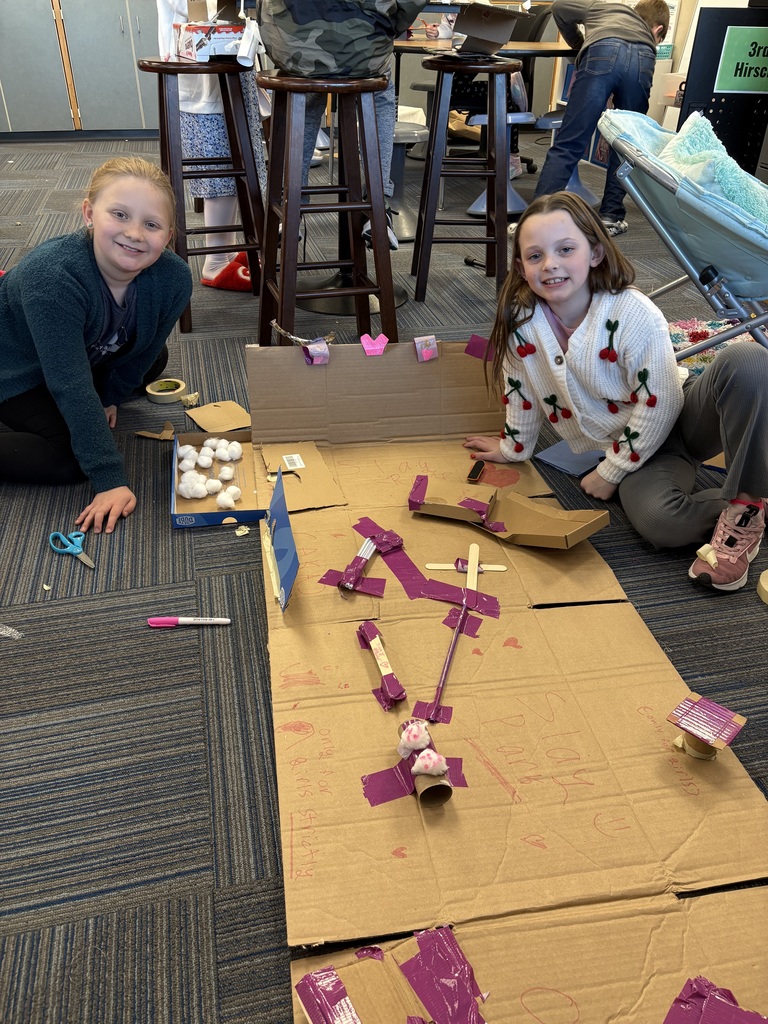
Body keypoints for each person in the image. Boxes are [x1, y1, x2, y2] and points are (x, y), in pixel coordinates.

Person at [464, 192, 768, 592]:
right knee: (662, 525)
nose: (550, 264)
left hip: (680, 416)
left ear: (594, 253)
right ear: (520, 269)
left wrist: (611, 471)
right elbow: (521, 390)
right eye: (535, 256)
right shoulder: (522, 322)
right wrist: (513, 448)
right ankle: (759, 497)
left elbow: (662, 403)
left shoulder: (632, 312)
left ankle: (747, 503)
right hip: (641, 449)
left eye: (565, 249)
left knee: (747, 361)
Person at [0, 157, 193, 535]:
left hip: (77, 352)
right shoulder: (52, 277)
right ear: (89, 213)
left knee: (153, 359)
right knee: (69, 460)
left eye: (151, 224)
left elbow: (144, 350)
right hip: (16, 367)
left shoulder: (173, 278)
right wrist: (109, 478)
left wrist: (108, 398)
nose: (135, 233)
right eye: (119, 215)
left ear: (168, 236)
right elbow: (69, 384)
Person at [258, 0, 430, 251]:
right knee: (381, 91)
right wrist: (389, 26)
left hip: (293, 45)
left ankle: (290, 204)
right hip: (363, 49)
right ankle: (377, 205)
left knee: (305, 92)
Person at [532, 0, 670, 237]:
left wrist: (579, 43)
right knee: (626, 146)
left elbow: (558, 7)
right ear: (658, 31)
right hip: (642, 59)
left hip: (602, 51)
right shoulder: (648, 39)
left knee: (569, 143)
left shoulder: (605, 7)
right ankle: (611, 216)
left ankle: (537, 221)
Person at [156, 0, 268, 288]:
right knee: (221, 163)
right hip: (201, 62)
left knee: (238, 160)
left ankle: (227, 251)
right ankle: (215, 261)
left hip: (226, 55)